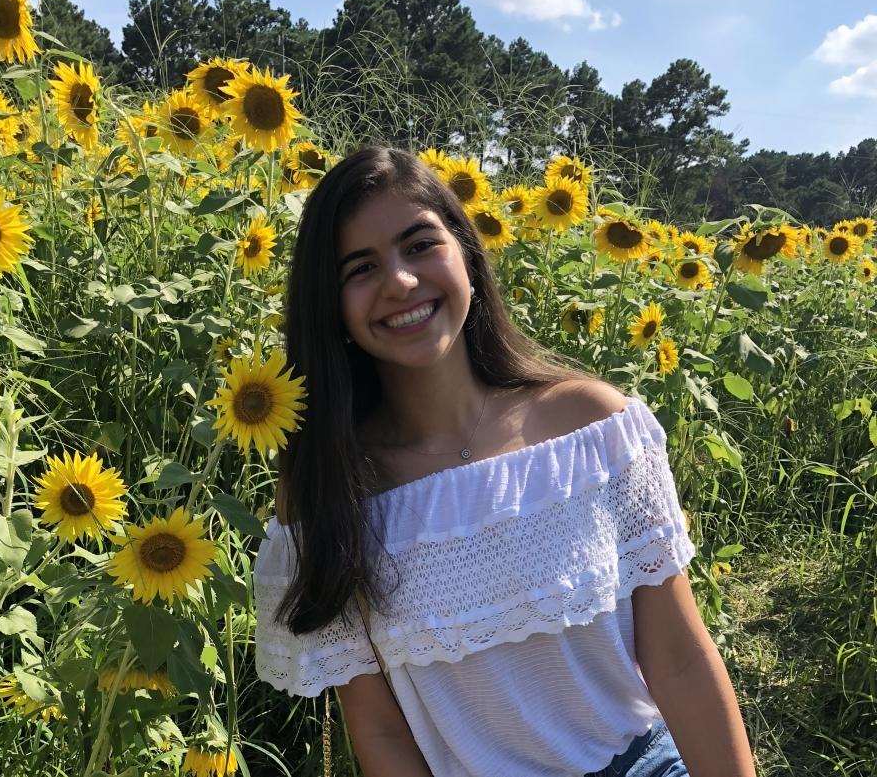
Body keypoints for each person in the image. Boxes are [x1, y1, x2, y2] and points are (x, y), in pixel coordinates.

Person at [252, 146, 757, 777]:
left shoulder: (591, 427)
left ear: (465, 251)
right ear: (331, 306)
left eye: (419, 244)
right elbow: (381, 732)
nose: (401, 282)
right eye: (360, 267)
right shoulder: (331, 493)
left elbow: (679, 657)